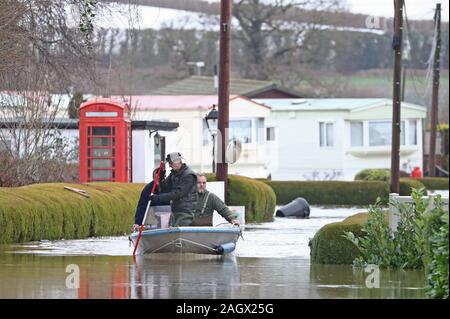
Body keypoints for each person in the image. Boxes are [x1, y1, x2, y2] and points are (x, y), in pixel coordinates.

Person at [149, 152, 198, 227]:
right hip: (175, 211)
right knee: (170, 233)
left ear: (178, 161)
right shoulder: (174, 174)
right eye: (169, 163)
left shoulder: (189, 175)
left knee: (178, 232)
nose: (169, 166)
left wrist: (158, 198)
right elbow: (165, 189)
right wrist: (162, 179)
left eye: (171, 163)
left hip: (187, 213)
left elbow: (178, 193)